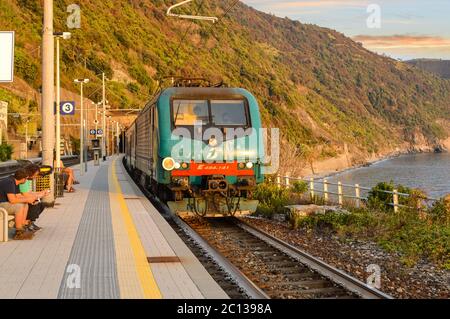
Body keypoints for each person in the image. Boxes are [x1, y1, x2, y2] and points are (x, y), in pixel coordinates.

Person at [0, 168, 38, 240]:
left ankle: (22, 226)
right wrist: (27, 199)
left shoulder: (15, 182)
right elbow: (12, 200)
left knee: (25, 204)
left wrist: (30, 199)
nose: (26, 180)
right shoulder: (10, 183)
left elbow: (18, 196)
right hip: (1, 204)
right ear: (23, 179)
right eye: (26, 179)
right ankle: (18, 232)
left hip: (5, 203)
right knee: (19, 207)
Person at [19, 164, 50, 231]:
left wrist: (41, 192)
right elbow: (26, 195)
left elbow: (30, 192)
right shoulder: (24, 181)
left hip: (24, 199)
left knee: (41, 204)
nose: (36, 176)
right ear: (31, 173)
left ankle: (30, 222)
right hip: (21, 200)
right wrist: (40, 195)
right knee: (35, 204)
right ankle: (27, 223)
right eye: (35, 174)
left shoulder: (28, 180)